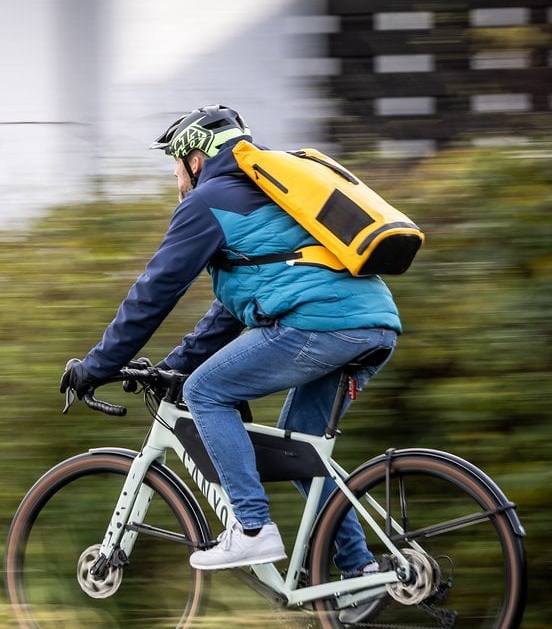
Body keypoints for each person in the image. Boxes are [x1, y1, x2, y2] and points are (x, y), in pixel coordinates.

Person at [59, 105, 400, 582]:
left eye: (175, 165)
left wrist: (98, 366)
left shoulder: (207, 202)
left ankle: (253, 527)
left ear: (194, 159)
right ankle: (361, 572)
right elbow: (230, 313)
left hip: (320, 325)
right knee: (302, 447)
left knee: (205, 392)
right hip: (372, 325)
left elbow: (155, 291)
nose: (175, 177)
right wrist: (173, 366)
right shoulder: (269, 196)